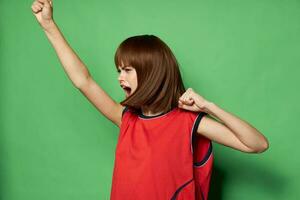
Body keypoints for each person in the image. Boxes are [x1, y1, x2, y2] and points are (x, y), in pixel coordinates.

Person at [31, 0, 269, 199]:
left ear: (152, 73)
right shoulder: (126, 119)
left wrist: (209, 106)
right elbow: (83, 80)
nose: (120, 78)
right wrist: (49, 26)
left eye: (127, 70)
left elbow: (257, 144)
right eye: (118, 70)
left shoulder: (189, 122)